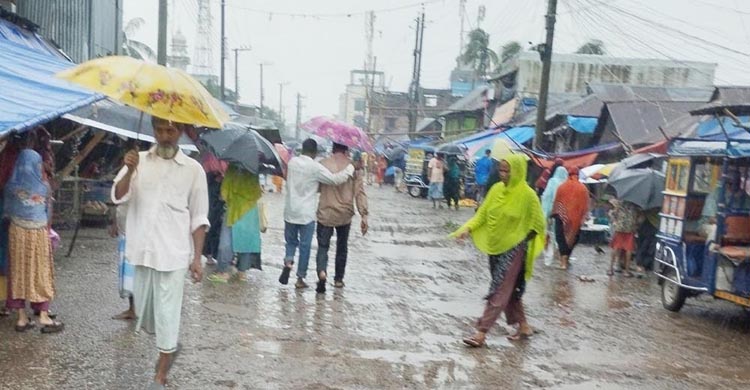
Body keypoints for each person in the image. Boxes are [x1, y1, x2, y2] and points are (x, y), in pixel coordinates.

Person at [112, 116, 209, 387]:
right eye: (160, 129)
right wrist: (129, 170)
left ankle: (161, 372)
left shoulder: (193, 169)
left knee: (168, 314)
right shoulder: (138, 160)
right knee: (146, 314)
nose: (165, 135)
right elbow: (118, 196)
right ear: (153, 130)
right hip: (142, 250)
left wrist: (197, 259)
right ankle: (169, 346)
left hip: (175, 253)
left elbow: (200, 217)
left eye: (171, 130)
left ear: (180, 132)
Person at [451, 154, 546, 347]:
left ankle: (481, 332)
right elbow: (483, 214)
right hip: (495, 247)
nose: (503, 174)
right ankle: (524, 325)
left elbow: (538, 224)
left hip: (515, 248)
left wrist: (519, 237)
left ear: (517, 171)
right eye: (501, 170)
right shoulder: (495, 190)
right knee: (509, 289)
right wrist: (467, 229)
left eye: (507, 170)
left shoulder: (528, 195)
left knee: (499, 289)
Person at [279, 139, 355, 289]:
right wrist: (350, 168)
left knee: (291, 242)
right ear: (314, 153)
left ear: (302, 149)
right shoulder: (315, 167)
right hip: (306, 214)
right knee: (305, 246)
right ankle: (300, 279)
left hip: (290, 211)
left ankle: (288, 262)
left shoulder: (292, 163)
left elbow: (286, 178)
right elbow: (334, 180)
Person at [4, 147, 63, 333]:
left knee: (18, 271)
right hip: (37, 233)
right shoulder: (43, 187)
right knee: (40, 271)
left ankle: (21, 318)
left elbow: (6, 211)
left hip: (16, 232)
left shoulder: (11, 187)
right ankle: (44, 317)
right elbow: (48, 212)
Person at [314, 144, 369, 293]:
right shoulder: (354, 167)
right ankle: (338, 280)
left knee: (323, 247)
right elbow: (359, 193)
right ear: (347, 150)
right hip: (345, 213)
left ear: (332, 149)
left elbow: (317, 188)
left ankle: (322, 272)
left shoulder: (323, 164)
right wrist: (364, 215)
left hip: (325, 212)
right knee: (342, 247)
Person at [208, 166, 263, 283]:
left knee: (226, 242)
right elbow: (258, 193)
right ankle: (241, 271)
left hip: (233, 211)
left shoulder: (231, 170)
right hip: (249, 212)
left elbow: (223, 194)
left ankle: (223, 271)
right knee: (246, 243)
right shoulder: (254, 171)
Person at [551, 167, 590, 270]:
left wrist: (555, 214)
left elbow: (557, 202)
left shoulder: (562, 187)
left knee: (561, 238)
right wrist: (583, 217)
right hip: (575, 220)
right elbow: (585, 206)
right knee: (573, 238)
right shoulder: (583, 189)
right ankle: (566, 260)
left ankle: (563, 262)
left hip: (561, 216)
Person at [109, 203, 135, 320]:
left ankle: (137, 308)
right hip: (125, 231)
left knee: (135, 272)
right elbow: (117, 202)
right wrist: (115, 223)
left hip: (137, 233)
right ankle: (133, 308)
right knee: (128, 274)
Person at [541, 166, 568, 265]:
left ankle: (546, 250)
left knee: (548, 231)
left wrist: (546, 211)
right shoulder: (566, 183)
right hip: (563, 212)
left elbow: (547, 195)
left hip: (551, 209)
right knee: (559, 233)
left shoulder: (552, 181)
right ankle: (559, 253)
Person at [607, 199, 640, 277]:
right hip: (630, 229)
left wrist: (614, 219)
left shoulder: (619, 204)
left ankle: (610, 269)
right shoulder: (635, 205)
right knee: (629, 249)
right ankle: (626, 271)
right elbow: (637, 217)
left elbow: (613, 214)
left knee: (616, 247)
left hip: (619, 228)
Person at [635, 208, 659, 272]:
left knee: (649, 247)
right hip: (648, 228)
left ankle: (645, 265)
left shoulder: (646, 208)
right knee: (644, 247)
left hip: (651, 228)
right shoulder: (647, 209)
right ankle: (641, 264)